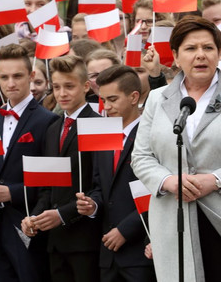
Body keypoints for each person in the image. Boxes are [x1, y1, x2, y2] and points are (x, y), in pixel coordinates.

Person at [131, 16, 221, 281]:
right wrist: (168, 181)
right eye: (191, 48)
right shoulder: (158, 99)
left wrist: (215, 180)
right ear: (175, 55)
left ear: (219, 53)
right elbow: (141, 156)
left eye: (208, 48)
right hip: (174, 216)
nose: (200, 55)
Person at [0, 44, 59, 282]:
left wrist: (12, 193)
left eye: (17, 76)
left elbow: (51, 182)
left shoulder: (48, 120)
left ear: (31, 77)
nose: (11, 83)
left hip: (28, 225)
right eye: (5, 77)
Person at [22, 54, 102, 282]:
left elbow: (101, 184)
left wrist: (62, 214)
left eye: (69, 86)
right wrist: (34, 216)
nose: (62, 94)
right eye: (56, 87)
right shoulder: (53, 127)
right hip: (55, 242)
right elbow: (48, 185)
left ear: (86, 86)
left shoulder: (98, 125)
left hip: (86, 240)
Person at [76, 65, 156, 282]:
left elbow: (158, 192)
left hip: (142, 252)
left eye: (112, 99)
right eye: (103, 100)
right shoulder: (104, 136)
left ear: (133, 97)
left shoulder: (152, 135)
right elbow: (100, 187)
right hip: (108, 256)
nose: (106, 107)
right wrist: (92, 205)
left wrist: (126, 230)